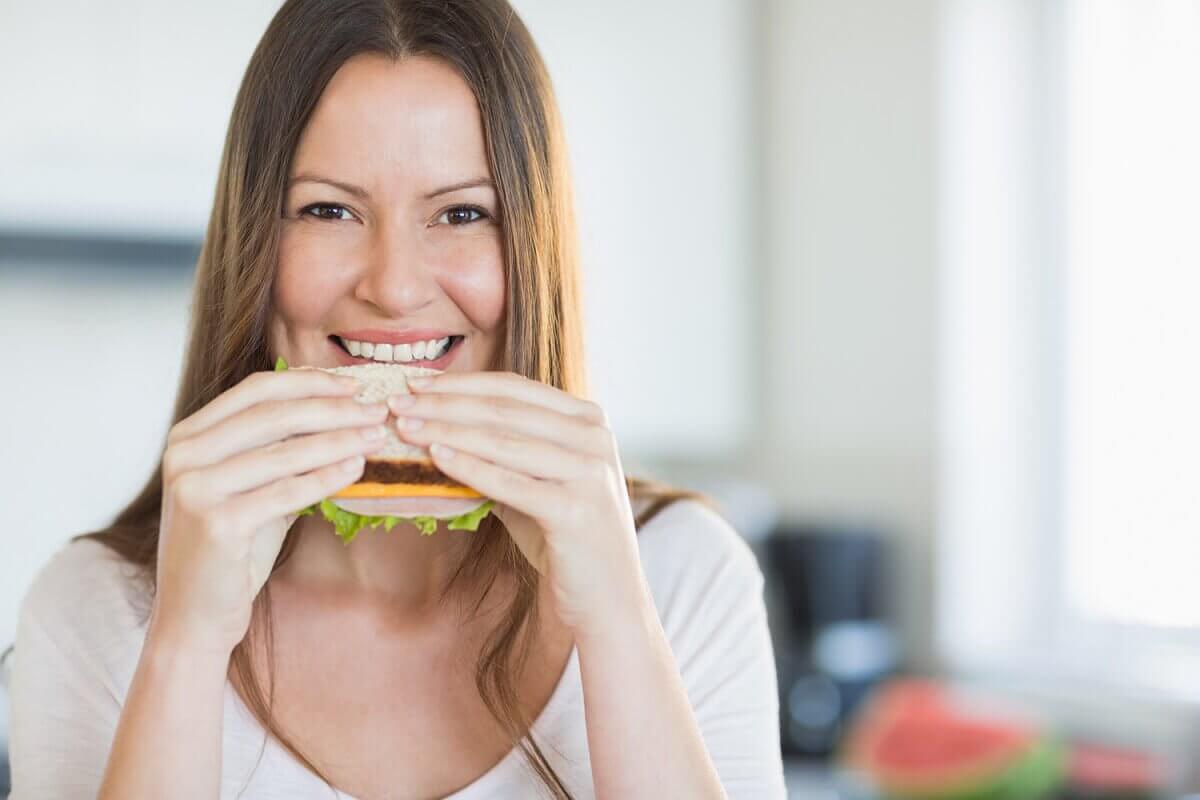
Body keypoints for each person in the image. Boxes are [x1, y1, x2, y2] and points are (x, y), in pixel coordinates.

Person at [6, 1, 785, 797]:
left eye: (462, 213)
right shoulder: (92, 611)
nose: (395, 287)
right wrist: (185, 642)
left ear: (533, 249)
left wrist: (619, 623)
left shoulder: (683, 576)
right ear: (254, 244)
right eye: (329, 210)